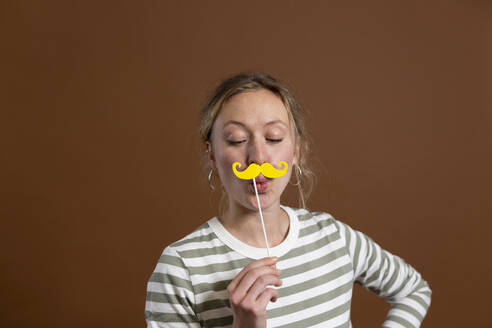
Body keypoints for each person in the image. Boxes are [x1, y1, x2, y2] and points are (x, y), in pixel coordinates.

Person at [145, 72, 432, 328]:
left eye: (273, 138)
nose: (258, 157)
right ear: (212, 154)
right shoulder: (180, 268)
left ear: (296, 151)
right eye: (236, 139)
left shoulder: (335, 239)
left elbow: (414, 290)